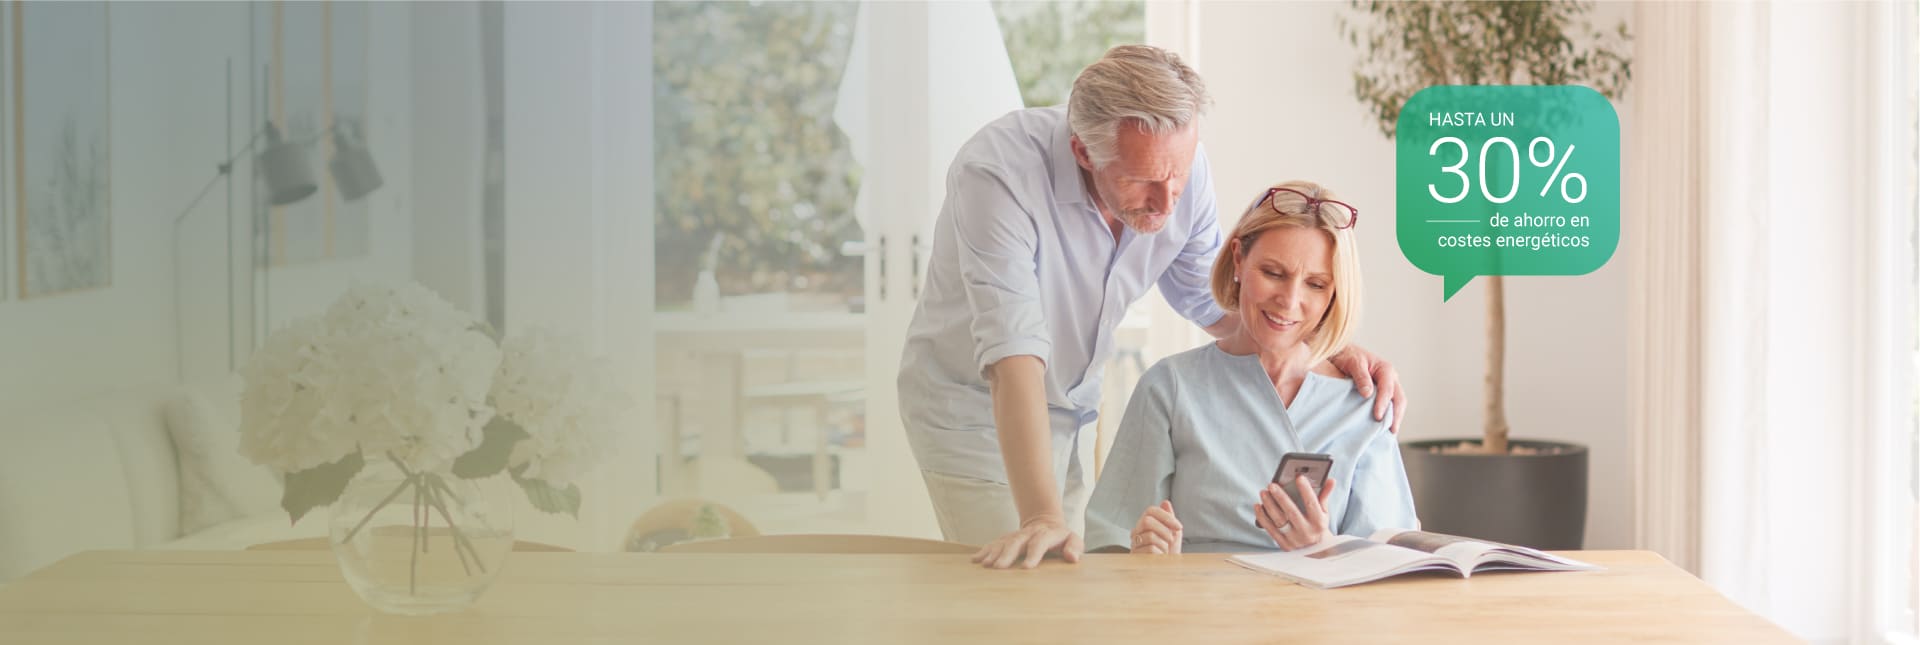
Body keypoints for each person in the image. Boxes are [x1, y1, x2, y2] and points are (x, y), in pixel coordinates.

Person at [897, 44, 1409, 569]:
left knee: (1064, 581)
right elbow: (1013, 350)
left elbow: (1210, 298)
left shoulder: (1176, 165)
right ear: (1083, 152)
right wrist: (1041, 516)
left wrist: (1324, 347)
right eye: (1140, 181)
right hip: (979, 410)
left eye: (1178, 176)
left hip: (1071, 405)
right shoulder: (999, 174)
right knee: (1023, 578)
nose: (1167, 205)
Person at [1085, 180, 1418, 555]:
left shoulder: (1362, 404)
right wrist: (1145, 556)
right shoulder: (1171, 387)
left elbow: (1392, 562)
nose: (1289, 301)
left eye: (1315, 284)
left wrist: (1322, 548)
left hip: (1321, 595)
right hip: (1195, 593)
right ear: (1239, 259)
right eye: (1273, 273)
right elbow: (1110, 537)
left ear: (1336, 293)